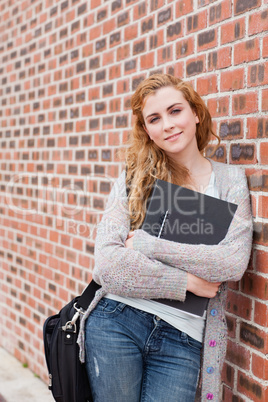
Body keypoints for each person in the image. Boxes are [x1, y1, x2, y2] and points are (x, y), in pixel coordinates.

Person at [77, 74, 253, 401]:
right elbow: (108, 266)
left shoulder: (230, 181)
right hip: (118, 322)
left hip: (182, 337)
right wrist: (187, 281)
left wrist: (147, 245)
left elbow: (231, 262)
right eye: (155, 119)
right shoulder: (134, 179)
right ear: (147, 131)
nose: (168, 125)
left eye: (175, 111)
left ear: (195, 113)